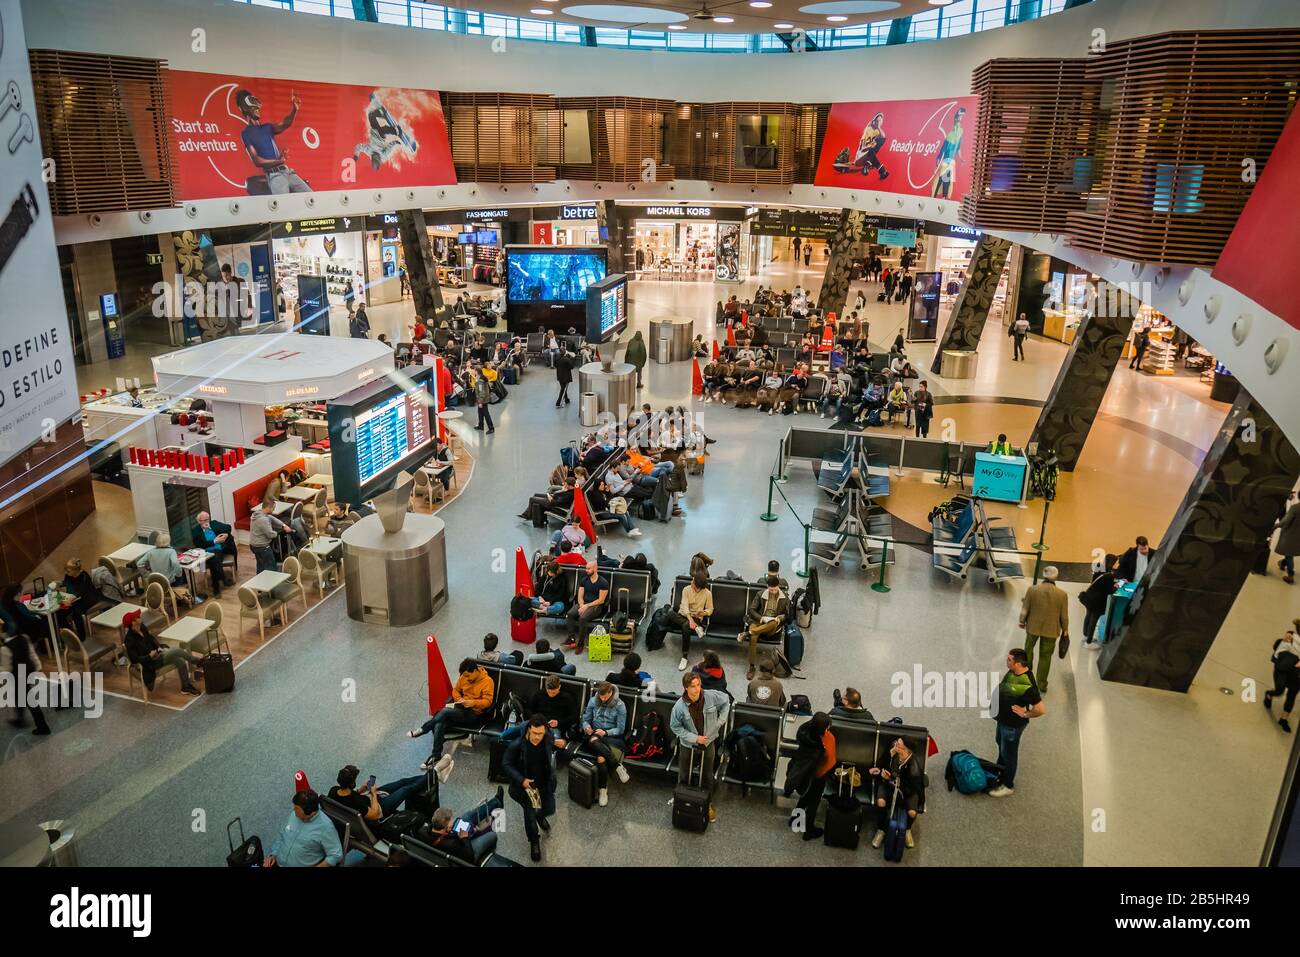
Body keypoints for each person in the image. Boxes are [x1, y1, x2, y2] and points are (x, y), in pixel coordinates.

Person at [408, 658, 495, 779]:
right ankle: (436, 755)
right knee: (439, 724)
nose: (466, 678)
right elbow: (455, 690)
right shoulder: (464, 676)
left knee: (443, 712)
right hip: (460, 708)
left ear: (475, 671)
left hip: (473, 713)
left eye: (468, 676)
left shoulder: (487, 681)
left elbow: (488, 702)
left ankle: (424, 728)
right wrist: (459, 699)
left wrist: (473, 703)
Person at [670, 672, 730, 824]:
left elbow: (726, 701)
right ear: (685, 688)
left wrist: (720, 721)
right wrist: (695, 738)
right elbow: (675, 727)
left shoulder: (711, 696)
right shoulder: (679, 707)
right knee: (684, 773)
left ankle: (707, 803)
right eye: (692, 686)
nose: (697, 689)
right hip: (688, 744)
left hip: (708, 742)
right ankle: (681, 799)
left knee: (707, 774)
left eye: (698, 685)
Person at [988, 648, 1046, 798]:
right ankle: (1000, 771)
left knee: (1009, 754)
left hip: (1012, 726)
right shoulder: (1014, 672)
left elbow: (1040, 709)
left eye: (1009, 660)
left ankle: (1008, 785)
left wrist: (1026, 713)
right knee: (1000, 745)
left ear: (1018, 664)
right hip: (1003, 720)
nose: (1006, 661)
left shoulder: (1028, 685)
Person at [503, 716, 558, 862]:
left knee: (549, 808)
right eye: (535, 733)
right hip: (527, 787)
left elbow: (550, 748)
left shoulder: (547, 737)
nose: (537, 737)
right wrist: (522, 780)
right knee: (530, 817)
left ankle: (541, 815)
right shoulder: (517, 746)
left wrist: (557, 743)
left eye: (541, 733)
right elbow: (506, 764)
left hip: (544, 782)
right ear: (529, 730)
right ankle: (534, 841)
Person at [122, 609, 203, 696]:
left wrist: (158, 647)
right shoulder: (129, 640)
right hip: (150, 663)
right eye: (137, 617)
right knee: (177, 651)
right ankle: (197, 661)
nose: (140, 617)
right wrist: (149, 656)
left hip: (158, 654)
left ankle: (185, 687)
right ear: (133, 623)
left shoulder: (142, 627)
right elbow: (134, 659)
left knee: (179, 661)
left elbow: (151, 638)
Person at [783, 711, 834, 840]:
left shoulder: (804, 731)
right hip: (816, 775)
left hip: (805, 775)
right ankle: (808, 831)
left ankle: (795, 820)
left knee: (805, 797)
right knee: (813, 803)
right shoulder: (821, 745)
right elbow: (828, 757)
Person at [422, 788, 506, 866]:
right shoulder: (451, 844)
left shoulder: (429, 829)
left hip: (453, 840)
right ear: (446, 828)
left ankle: (496, 802)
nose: (454, 820)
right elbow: (469, 857)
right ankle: (489, 854)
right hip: (466, 853)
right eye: (452, 821)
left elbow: (446, 835)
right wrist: (464, 838)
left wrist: (455, 833)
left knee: (466, 816)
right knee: (492, 835)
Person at [1020, 565, 1069, 694]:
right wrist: (1065, 629)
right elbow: (1064, 615)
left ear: (1043, 574)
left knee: (1028, 650)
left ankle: (1026, 678)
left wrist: (1021, 621)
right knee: (1045, 657)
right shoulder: (1062, 595)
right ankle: (1041, 684)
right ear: (1056, 577)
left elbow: (1025, 608)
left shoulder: (1032, 590)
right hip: (1051, 630)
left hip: (1033, 627)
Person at [326, 764, 429, 826]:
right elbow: (375, 815)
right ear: (352, 783)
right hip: (380, 807)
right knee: (406, 789)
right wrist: (374, 794)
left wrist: (360, 790)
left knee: (402, 782)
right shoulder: (357, 803)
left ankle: (428, 776)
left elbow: (347, 798)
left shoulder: (333, 791)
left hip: (368, 797)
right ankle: (434, 774)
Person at [581, 682, 631, 806]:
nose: (602, 699)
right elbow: (585, 719)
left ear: (611, 693)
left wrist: (606, 732)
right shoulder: (593, 701)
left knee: (601, 758)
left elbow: (620, 729)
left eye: (605, 697)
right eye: (600, 696)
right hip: (593, 734)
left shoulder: (620, 705)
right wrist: (587, 726)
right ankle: (617, 766)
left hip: (610, 737)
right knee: (593, 740)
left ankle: (603, 789)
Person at [868, 736, 923, 850]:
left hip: (906, 790)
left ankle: (907, 829)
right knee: (881, 802)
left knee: (912, 812)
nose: (895, 745)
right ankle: (881, 829)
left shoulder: (914, 767)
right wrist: (881, 771)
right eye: (897, 742)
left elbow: (911, 789)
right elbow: (881, 764)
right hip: (888, 783)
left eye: (899, 745)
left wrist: (892, 781)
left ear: (906, 750)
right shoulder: (893, 749)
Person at [264, 789, 341, 867]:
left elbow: (336, 855)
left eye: (296, 808)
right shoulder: (294, 815)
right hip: (276, 862)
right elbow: (282, 834)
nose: (294, 810)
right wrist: (273, 854)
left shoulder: (326, 827)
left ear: (308, 811)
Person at [501, 675, 579, 747]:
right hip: (536, 723)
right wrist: (535, 718)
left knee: (535, 743)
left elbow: (575, 716)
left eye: (554, 692)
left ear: (559, 687)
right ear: (546, 688)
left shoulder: (568, 698)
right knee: (504, 735)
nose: (551, 695)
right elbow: (528, 709)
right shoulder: (540, 694)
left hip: (553, 728)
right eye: (549, 692)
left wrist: (559, 722)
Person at [741, 575, 789, 679]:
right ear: (767, 586)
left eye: (775, 589)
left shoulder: (784, 597)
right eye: (770, 589)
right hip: (759, 621)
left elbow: (787, 615)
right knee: (753, 638)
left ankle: (747, 633)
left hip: (772, 626)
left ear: (778, 587)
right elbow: (752, 610)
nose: (773, 591)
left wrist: (779, 618)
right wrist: (762, 618)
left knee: (772, 623)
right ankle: (752, 666)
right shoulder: (760, 594)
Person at [671, 571, 714, 672]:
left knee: (686, 626)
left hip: (696, 617)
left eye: (693, 581)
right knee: (669, 614)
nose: (691, 581)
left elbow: (710, 609)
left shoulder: (707, 594)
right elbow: (685, 607)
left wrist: (703, 612)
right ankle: (697, 628)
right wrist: (690, 620)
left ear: (698, 586)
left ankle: (684, 657)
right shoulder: (686, 589)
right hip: (684, 615)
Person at [138, 533, 195, 600]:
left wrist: (147, 574)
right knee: (181, 571)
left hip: (156, 580)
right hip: (169, 581)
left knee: (179, 571)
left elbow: (139, 564)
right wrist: (178, 574)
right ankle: (182, 595)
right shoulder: (171, 551)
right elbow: (175, 563)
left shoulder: (151, 551)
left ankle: (180, 594)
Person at [1266, 622, 1300, 733]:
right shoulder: (1289, 637)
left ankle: (1283, 719)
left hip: (1297, 676)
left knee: (1291, 696)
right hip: (1283, 673)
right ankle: (1269, 694)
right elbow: (1277, 656)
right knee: (1279, 691)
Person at [192, 511, 235, 597]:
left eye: (207, 519)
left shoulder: (214, 523)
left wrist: (226, 534)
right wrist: (214, 541)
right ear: (199, 521)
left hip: (219, 549)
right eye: (202, 520)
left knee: (214, 560)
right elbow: (199, 545)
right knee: (214, 560)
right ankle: (223, 579)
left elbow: (228, 527)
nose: (205, 522)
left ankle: (217, 589)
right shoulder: (195, 531)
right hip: (206, 552)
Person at [1080, 554, 1118, 645]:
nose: (1118, 564)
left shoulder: (1098, 567)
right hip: (1099, 600)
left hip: (1089, 596)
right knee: (1094, 619)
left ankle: (1085, 633)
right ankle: (1089, 640)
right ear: (1112, 563)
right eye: (1116, 562)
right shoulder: (1109, 576)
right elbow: (1109, 590)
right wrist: (1116, 586)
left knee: (1088, 614)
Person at [249, 500, 291, 574]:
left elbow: (271, 518)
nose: (274, 510)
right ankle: (271, 583)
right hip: (262, 547)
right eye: (273, 508)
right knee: (271, 567)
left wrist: (283, 525)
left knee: (260, 565)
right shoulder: (263, 520)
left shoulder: (258, 513)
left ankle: (260, 582)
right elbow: (270, 535)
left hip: (254, 545)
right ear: (268, 507)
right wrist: (279, 532)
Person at [1275, 493, 1300, 585]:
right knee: (1290, 552)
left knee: (1289, 553)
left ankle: (1290, 575)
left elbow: (1285, 521)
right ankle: (1282, 563)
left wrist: (1276, 526)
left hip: (1291, 534)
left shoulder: (1295, 508)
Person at [472, 365, 495, 434]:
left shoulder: (480, 381)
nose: (473, 371)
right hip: (483, 399)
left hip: (483, 400)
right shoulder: (481, 377)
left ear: (476, 371)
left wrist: (480, 402)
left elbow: (481, 392)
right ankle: (481, 425)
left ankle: (491, 428)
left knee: (486, 413)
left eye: (474, 370)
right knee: (480, 412)